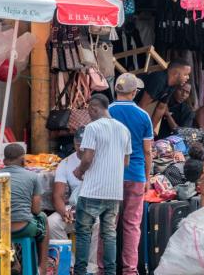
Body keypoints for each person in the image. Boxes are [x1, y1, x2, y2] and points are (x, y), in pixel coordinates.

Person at [73, 93, 132, 275]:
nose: (89, 113)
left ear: (94, 108)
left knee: (84, 232)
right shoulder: (124, 129)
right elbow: (126, 162)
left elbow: (88, 157)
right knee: (109, 235)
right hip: (114, 192)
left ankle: (80, 272)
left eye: (89, 110)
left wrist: (80, 171)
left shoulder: (92, 128)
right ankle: (110, 272)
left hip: (92, 190)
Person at [108, 73, 154, 275]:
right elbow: (147, 151)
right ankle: (130, 270)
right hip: (135, 175)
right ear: (134, 92)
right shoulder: (144, 116)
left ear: (116, 90)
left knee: (108, 224)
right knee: (132, 225)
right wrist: (148, 177)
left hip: (109, 177)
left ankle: (105, 269)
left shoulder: (106, 112)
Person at [0, 144, 49, 275]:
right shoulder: (32, 177)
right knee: (43, 218)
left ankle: (12, 264)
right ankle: (42, 267)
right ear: (23, 160)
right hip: (22, 229)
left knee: (8, 219)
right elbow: (36, 210)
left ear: (4, 161)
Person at [48, 127, 99, 274]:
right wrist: (64, 211)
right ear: (74, 143)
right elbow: (57, 195)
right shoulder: (65, 163)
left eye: (85, 145)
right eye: (78, 145)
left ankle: (91, 268)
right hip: (74, 209)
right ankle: (70, 265)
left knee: (99, 222)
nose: (81, 148)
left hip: (95, 208)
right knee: (52, 223)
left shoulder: (100, 161)